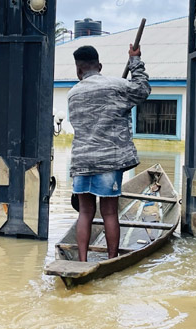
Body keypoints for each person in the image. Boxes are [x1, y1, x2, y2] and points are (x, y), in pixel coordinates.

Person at [68, 44, 150, 261]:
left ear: (78, 71)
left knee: (85, 212)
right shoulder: (117, 86)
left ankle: (82, 261)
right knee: (110, 212)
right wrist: (135, 60)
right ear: (100, 66)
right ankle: (112, 260)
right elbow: (142, 90)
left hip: (81, 162)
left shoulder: (72, 93)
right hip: (108, 161)